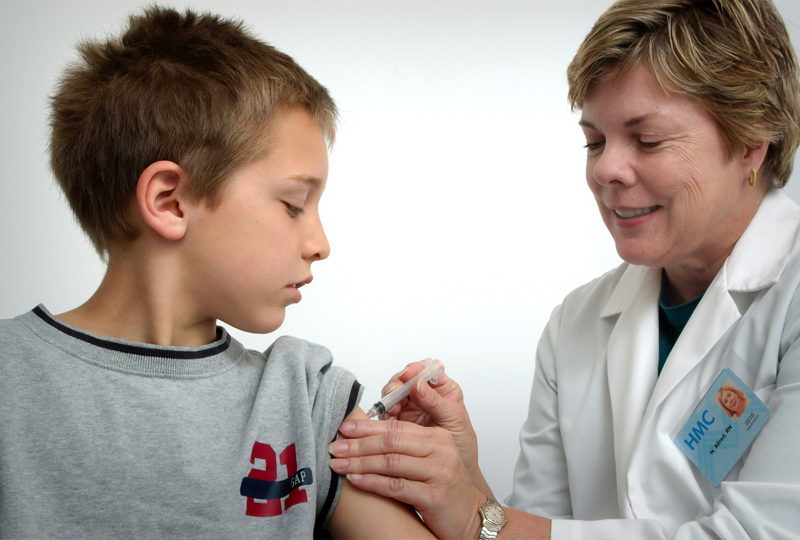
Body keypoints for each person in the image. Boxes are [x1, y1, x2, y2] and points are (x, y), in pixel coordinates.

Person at [329, 0, 800, 538]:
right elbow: (528, 529)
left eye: (647, 140)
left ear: (750, 143)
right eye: (594, 141)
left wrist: (467, 516)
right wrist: (463, 479)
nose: (605, 169)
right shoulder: (578, 322)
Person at [0, 6, 435, 539]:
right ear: (171, 201)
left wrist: (468, 488)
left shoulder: (304, 400)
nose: (321, 245)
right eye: (294, 204)